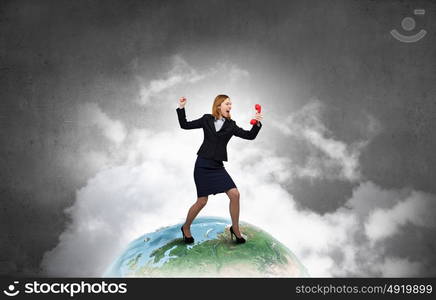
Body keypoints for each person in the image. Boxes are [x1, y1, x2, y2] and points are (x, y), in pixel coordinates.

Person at [176, 94, 263, 244]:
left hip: (217, 167)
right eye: (227, 104)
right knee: (202, 201)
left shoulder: (231, 125)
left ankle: (235, 229)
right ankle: (186, 227)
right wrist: (182, 108)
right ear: (218, 106)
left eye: (230, 104)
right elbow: (185, 125)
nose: (230, 106)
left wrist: (257, 124)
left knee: (235, 194)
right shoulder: (206, 119)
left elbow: (249, 136)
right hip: (202, 165)